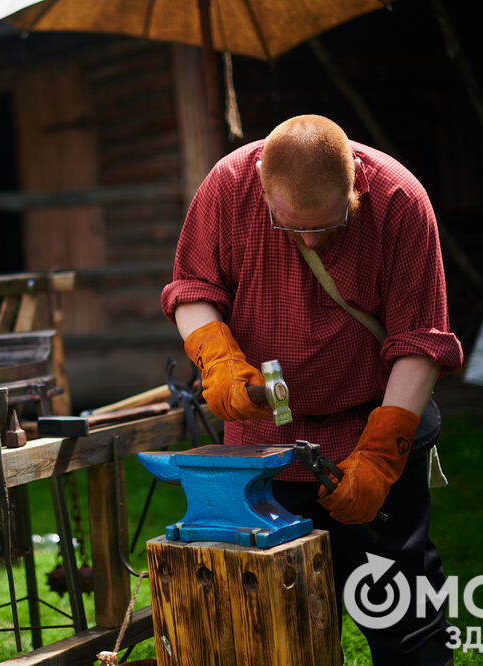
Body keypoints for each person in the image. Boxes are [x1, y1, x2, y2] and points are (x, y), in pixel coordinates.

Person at [161, 115, 463, 665]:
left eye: (330, 224)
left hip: (368, 429)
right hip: (262, 445)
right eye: (291, 227)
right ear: (262, 186)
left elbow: (420, 341)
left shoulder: (399, 199)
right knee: (262, 623)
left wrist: (381, 453)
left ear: (355, 187)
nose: (311, 240)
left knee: (403, 613)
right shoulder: (228, 186)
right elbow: (194, 287)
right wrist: (219, 360)